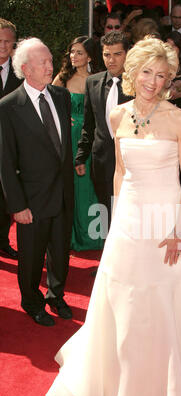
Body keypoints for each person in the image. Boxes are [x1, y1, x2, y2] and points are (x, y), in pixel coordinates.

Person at [46, 36, 181, 396]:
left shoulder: (177, 119)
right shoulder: (118, 115)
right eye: (147, 73)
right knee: (123, 291)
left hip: (166, 217)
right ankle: (122, 372)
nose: (153, 82)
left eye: (163, 75)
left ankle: (172, 374)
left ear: (171, 79)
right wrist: (115, 217)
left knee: (169, 291)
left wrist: (178, 230)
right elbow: (121, 172)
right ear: (133, 73)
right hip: (128, 217)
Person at [0, 38, 74, 326]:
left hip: (63, 192)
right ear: (25, 69)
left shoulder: (61, 96)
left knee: (60, 251)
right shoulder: (8, 107)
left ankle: (56, 294)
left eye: (50, 61)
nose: (50, 66)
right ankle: (31, 301)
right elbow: (5, 162)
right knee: (30, 257)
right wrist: (16, 205)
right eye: (43, 62)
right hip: (31, 200)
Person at [75, 32, 130, 242]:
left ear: (127, 54)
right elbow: (89, 125)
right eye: (107, 54)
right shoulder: (93, 82)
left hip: (131, 162)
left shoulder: (138, 84)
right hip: (102, 161)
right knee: (107, 213)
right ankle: (110, 261)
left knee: (129, 214)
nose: (111, 59)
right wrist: (81, 156)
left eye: (117, 54)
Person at [52, 36, 103, 252]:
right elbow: (47, 101)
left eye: (79, 52)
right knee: (69, 184)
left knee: (89, 186)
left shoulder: (96, 79)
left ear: (90, 56)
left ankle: (93, 234)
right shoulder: (62, 78)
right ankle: (70, 234)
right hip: (67, 139)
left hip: (88, 139)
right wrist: (63, 117)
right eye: (72, 52)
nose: (74, 56)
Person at [0, 18, 23, 260]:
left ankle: (3, 240)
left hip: (11, 145)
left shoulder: (20, 72)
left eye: (8, 41)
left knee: (6, 196)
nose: (3, 45)